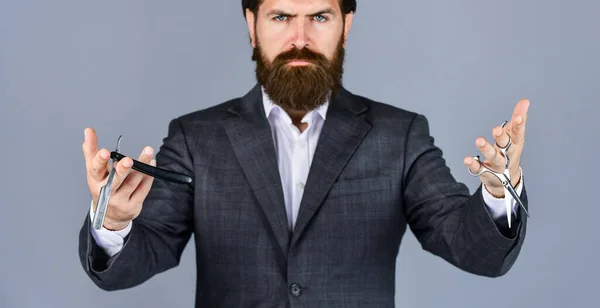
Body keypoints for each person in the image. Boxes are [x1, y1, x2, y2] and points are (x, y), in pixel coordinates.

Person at [78, 0, 530, 306]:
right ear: (251, 25)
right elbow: (137, 259)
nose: (299, 38)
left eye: (318, 17)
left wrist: (496, 195)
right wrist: (114, 222)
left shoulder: (400, 135)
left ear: (346, 26)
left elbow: (472, 248)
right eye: (280, 17)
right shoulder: (197, 137)